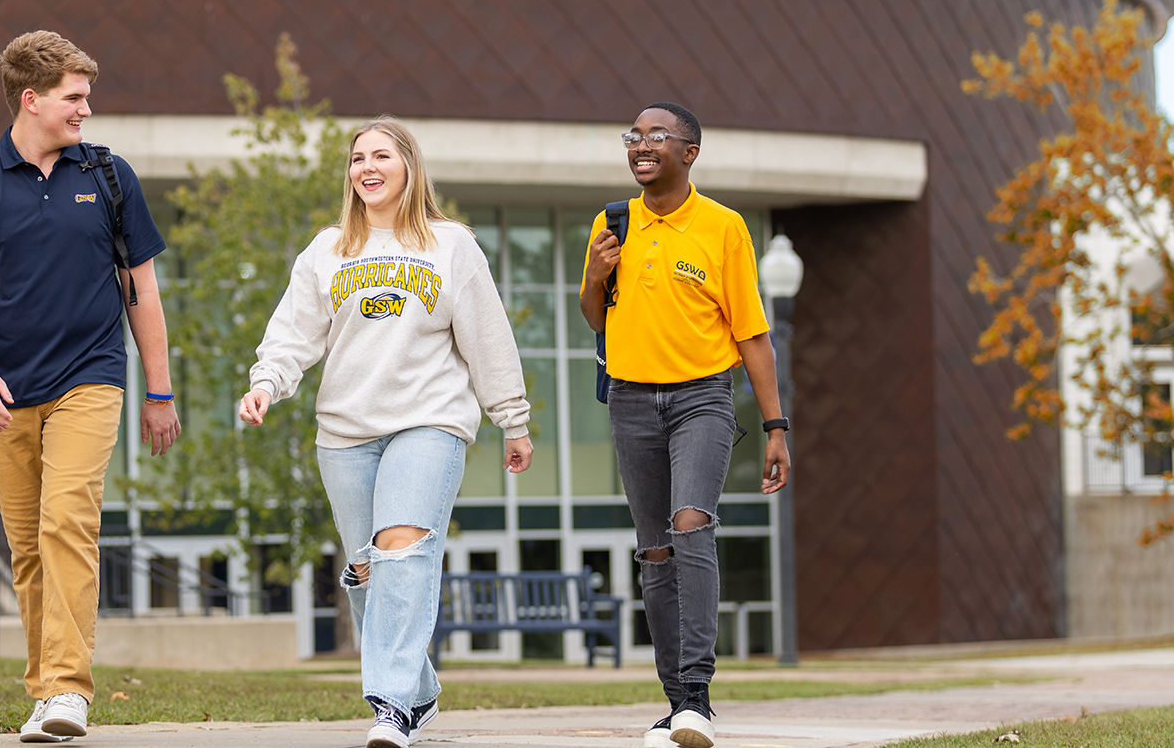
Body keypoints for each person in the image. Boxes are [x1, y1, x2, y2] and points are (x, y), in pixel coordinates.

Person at [237, 117, 533, 748]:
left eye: (380, 155)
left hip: (430, 420)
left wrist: (512, 418)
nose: (366, 167)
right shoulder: (327, 249)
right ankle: (419, 690)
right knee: (372, 569)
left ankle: (391, 706)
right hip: (345, 430)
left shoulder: (450, 245)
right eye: (356, 158)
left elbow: (487, 337)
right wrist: (267, 384)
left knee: (402, 548)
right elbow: (294, 334)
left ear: (409, 167)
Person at [0, 31, 181, 743]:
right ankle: (44, 692)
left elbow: (143, 293)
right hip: (5, 390)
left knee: (66, 520)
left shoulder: (108, 176)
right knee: (28, 545)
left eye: (87, 96)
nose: (86, 110)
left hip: (91, 377)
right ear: (31, 98)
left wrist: (159, 393)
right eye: (75, 98)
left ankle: (69, 690)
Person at [578, 103, 792, 748]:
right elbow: (596, 318)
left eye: (656, 137)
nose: (641, 145)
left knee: (691, 525)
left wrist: (777, 425)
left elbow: (753, 335)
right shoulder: (611, 222)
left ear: (689, 152)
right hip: (631, 402)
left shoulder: (724, 229)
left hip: (703, 399)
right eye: (633, 137)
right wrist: (594, 275)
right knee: (657, 550)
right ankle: (675, 705)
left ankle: (697, 695)